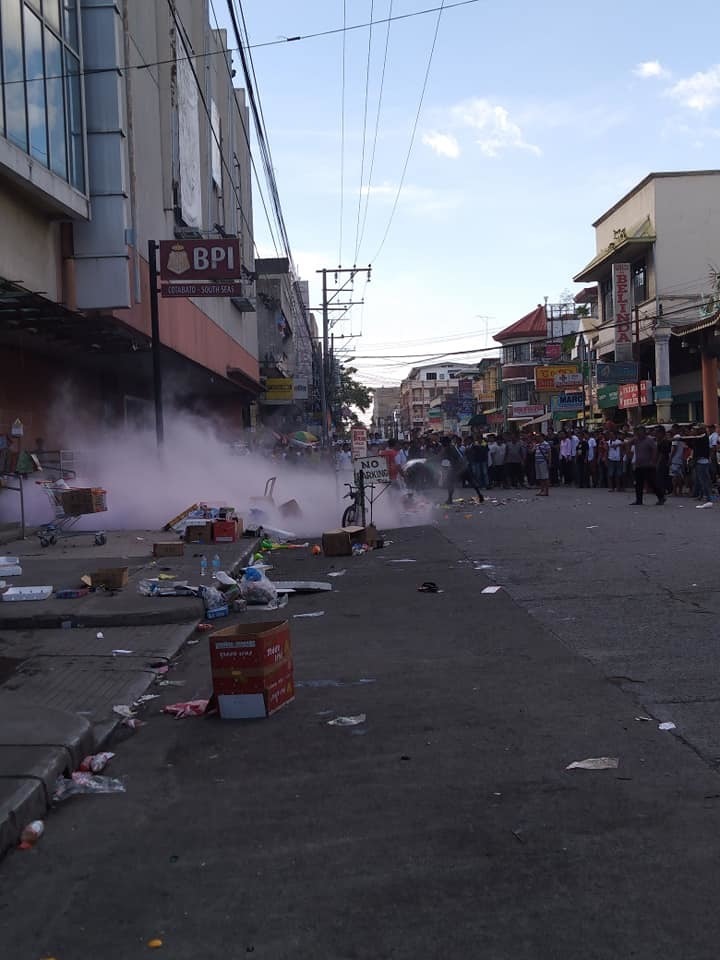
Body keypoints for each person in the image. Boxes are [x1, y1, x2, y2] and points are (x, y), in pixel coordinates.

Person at [630, 426, 664, 505]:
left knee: (652, 482)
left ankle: (661, 497)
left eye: (641, 431)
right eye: (638, 431)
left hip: (648, 465)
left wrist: (653, 460)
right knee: (638, 483)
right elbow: (627, 443)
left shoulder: (649, 440)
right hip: (639, 465)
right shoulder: (636, 440)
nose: (639, 433)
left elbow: (655, 450)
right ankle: (639, 500)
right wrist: (629, 453)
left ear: (644, 432)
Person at [692, 425, 713, 504]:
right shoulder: (701, 438)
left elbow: (701, 451)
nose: (695, 431)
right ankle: (701, 495)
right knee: (700, 480)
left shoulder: (703, 438)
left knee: (704, 480)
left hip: (702, 461)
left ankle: (708, 496)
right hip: (701, 461)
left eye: (697, 430)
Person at [655, 426, 672, 498]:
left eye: (657, 432)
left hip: (663, 461)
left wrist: (658, 463)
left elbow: (662, 453)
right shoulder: (660, 441)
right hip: (661, 460)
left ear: (661, 433)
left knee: (661, 477)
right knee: (661, 477)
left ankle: (663, 491)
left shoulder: (664, 441)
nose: (655, 434)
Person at [670, 432, 687, 497]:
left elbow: (673, 450)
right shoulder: (682, 442)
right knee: (679, 476)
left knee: (674, 477)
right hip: (680, 460)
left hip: (675, 460)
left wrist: (670, 459)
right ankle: (680, 491)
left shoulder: (675, 440)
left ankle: (674, 492)